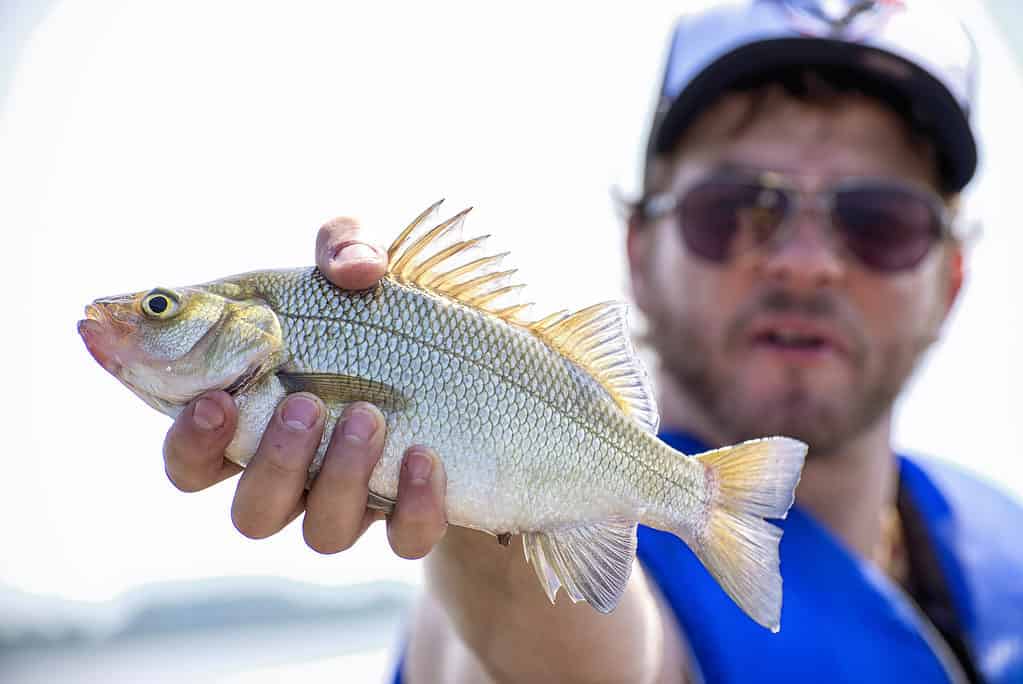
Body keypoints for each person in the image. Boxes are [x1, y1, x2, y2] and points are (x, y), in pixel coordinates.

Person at [161, 1, 1023, 682]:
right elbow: (542, 661)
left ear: (950, 280)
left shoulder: (1003, 545)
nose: (803, 264)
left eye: (879, 222)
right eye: (733, 211)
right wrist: (465, 494)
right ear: (638, 252)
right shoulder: (605, 572)